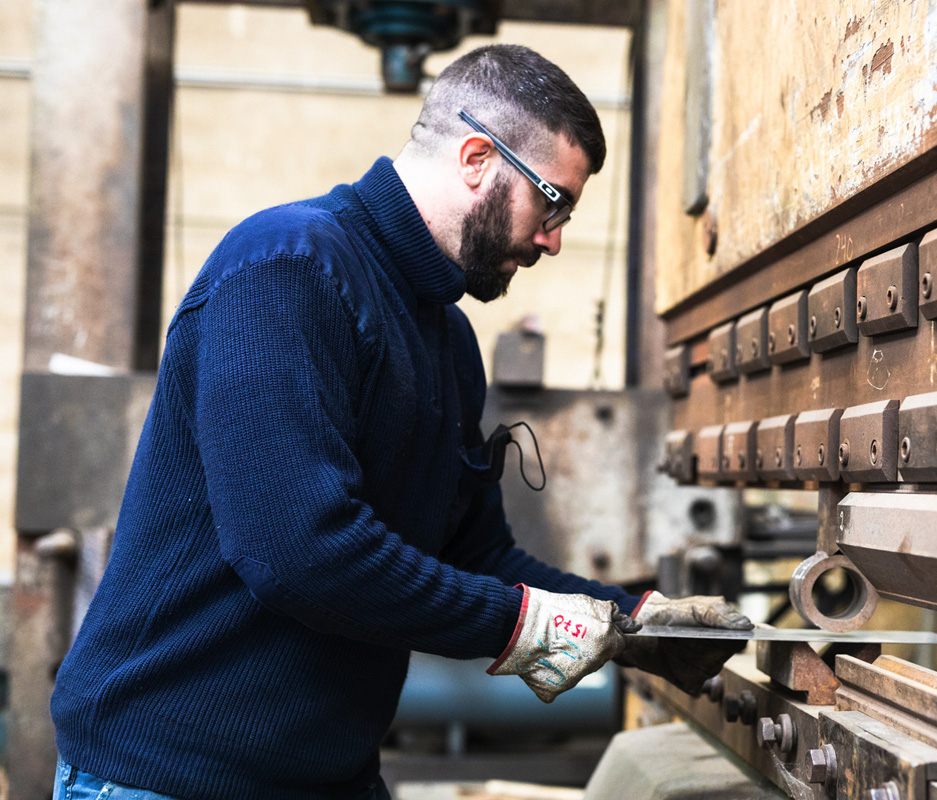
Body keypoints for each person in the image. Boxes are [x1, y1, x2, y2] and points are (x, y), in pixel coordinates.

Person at [50, 44, 751, 800]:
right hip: (169, 775)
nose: (552, 238)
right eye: (551, 203)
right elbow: (298, 553)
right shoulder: (287, 267)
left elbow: (476, 554)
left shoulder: (448, 340)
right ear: (477, 158)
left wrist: (638, 623)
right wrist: (524, 626)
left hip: (328, 776)